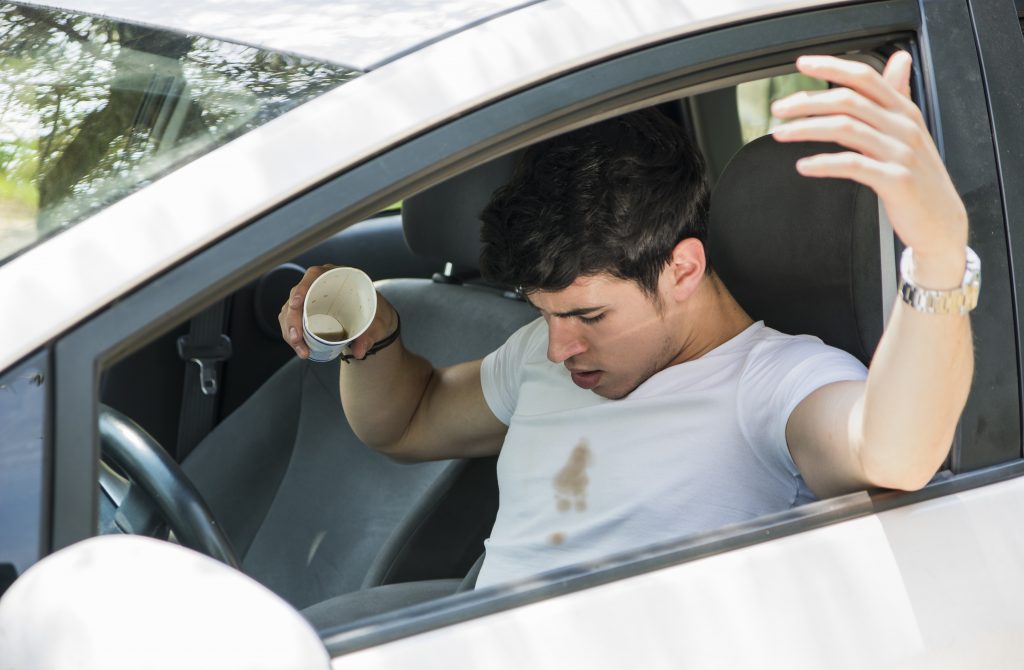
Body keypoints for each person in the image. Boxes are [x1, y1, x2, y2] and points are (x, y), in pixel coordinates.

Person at [278, 52, 976, 588]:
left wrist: (939, 255)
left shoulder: (774, 382)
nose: (558, 345)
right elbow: (406, 420)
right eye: (542, 312)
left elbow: (894, 453)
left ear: (682, 271)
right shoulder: (545, 351)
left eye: (587, 314)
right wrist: (371, 334)